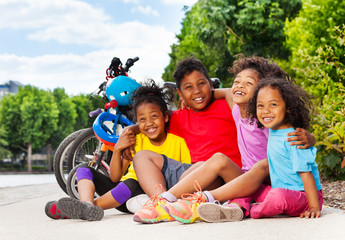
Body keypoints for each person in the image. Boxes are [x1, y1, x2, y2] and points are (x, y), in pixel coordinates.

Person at [132, 57, 315, 224]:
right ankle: (168, 202)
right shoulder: (236, 109)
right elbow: (225, 91)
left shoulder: (264, 118)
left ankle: (202, 199)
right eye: (237, 82)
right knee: (213, 161)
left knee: (261, 164)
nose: (240, 86)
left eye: (248, 83)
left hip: (270, 180)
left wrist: (310, 138)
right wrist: (194, 96)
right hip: (245, 178)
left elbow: (290, 132)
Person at [44, 80, 191, 221]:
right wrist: (119, 148)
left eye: (154, 116)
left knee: (132, 183)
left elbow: (185, 175)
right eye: (142, 119)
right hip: (120, 193)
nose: (149, 123)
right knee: (83, 169)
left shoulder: (178, 142)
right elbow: (115, 177)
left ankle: (86, 209)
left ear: (165, 116)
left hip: (145, 193)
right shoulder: (136, 140)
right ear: (137, 122)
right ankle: (86, 204)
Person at [198, 77, 323, 222]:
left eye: (273, 104)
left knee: (277, 196)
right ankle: (235, 207)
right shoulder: (273, 131)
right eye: (260, 106)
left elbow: (306, 174)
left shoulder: (293, 137)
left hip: (303, 197)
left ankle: (254, 210)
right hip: (279, 191)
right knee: (249, 187)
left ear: (288, 107)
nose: (266, 111)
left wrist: (314, 207)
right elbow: (228, 93)